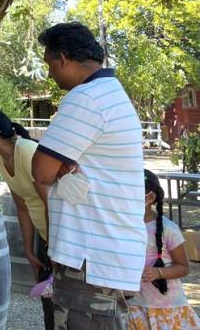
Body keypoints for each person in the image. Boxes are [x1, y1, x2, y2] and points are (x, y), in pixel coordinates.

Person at [31, 22, 146, 329]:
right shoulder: (110, 93)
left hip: (89, 258)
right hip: (106, 253)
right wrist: (62, 164)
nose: (51, 74)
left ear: (63, 59)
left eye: (50, 65)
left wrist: (59, 166)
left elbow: (41, 170)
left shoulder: (87, 98)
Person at [0, 108, 52, 329]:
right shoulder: (1, 160)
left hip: (61, 239)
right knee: (49, 305)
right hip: (47, 238)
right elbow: (22, 206)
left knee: (63, 306)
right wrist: (28, 250)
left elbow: (51, 203)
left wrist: (54, 248)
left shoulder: (27, 152)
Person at [128, 170, 200, 329]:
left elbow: (183, 267)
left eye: (132, 192)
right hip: (135, 307)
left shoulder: (168, 229)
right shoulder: (124, 226)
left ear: (150, 197)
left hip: (167, 309)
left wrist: (158, 272)